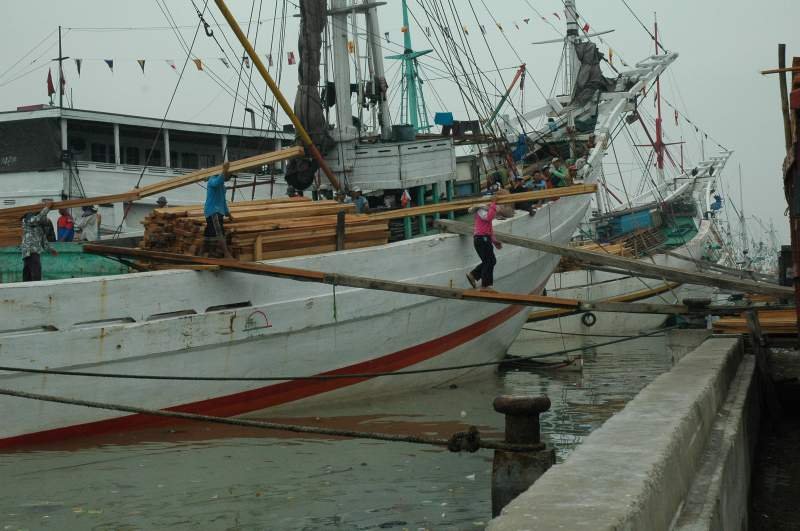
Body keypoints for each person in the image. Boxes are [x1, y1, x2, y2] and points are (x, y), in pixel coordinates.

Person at [466, 196, 502, 290]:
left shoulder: (486, 210)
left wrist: (494, 241)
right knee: (488, 261)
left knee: (491, 261)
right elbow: (488, 218)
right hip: (481, 239)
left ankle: (473, 275)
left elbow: (489, 229)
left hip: (484, 238)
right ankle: (485, 285)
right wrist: (493, 204)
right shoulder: (481, 210)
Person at [20, 201, 58, 282]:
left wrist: (51, 249)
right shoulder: (28, 217)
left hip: (33, 252)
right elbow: (36, 219)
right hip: (30, 251)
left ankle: (28, 291)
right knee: (35, 274)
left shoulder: (39, 226)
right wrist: (47, 208)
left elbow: (44, 240)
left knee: (28, 275)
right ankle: (35, 290)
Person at [204, 162, 233, 258]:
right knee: (219, 233)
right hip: (213, 211)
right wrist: (224, 170)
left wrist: (228, 213)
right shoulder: (212, 180)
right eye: (229, 175)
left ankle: (206, 254)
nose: (230, 177)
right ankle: (226, 253)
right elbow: (217, 182)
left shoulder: (222, 187)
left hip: (218, 212)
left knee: (210, 234)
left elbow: (223, 201)